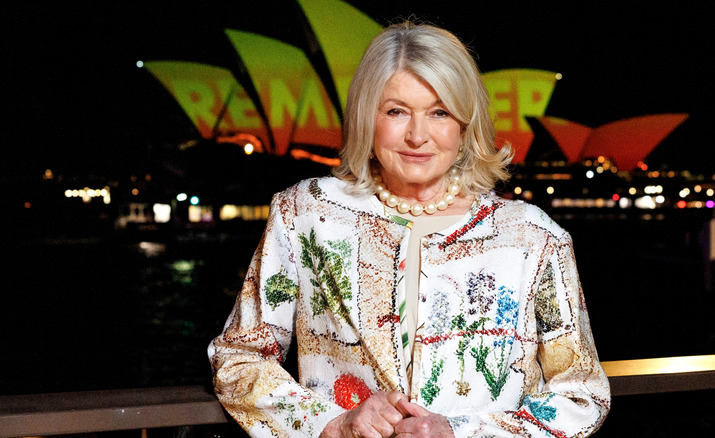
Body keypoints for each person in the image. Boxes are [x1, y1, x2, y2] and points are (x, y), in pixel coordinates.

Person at [208, 21, 610, 438]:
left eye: (439, 112)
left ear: (464, 125)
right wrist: (331, 423)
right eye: (396, 111)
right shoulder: (306, 213)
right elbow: (238, 358)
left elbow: (582, 395)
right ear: (368, 116)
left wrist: (461, 433)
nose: (417, 135)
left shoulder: (532, 236)